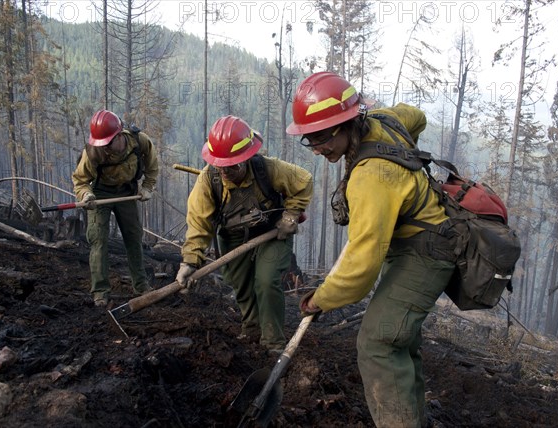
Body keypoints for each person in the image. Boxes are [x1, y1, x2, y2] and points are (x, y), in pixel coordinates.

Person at [286, 72, 456, 427]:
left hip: (426, 251)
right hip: (422, 241)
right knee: (400, 340)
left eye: (319, 137)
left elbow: (362, 268)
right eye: (308, 139)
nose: (316, 148)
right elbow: (417, 116)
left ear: (346, 124)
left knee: (378, 343)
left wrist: (321, 298)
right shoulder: (386, 121)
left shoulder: (371, 178)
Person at [177, 115, 313, 353]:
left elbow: (304, 182)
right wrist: (190, 261)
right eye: (221, 167)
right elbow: (199, 223)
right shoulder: (208, 181)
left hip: (271, 233)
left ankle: (273, 343)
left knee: (266, 281)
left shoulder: (268, 169)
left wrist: (290, 216)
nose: (225, 172)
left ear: (247, 158)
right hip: (233, 236)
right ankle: (251, 331)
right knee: (240, 284)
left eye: (232, 166)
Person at [72, 109, 159, 307]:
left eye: (109, 143)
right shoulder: (93, 151)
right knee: (98, 240)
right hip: (100, 194)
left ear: (119, 135)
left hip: (127, 192)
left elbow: (152, 166)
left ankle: (141, 285)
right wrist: (86, 195)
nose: (106, 148)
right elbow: (80, 180)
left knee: (133, 237)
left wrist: (147, 187)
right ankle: (100, 291)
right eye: (102, 144)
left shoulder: (140, 141)